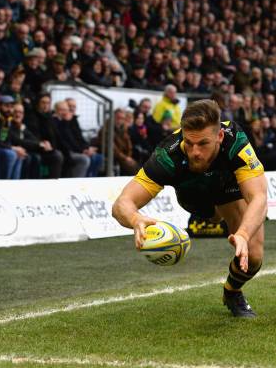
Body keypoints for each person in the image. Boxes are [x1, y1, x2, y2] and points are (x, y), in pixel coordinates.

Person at [112, 99, 267, 318]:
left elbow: (259, 197)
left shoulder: (235, 141)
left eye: (203, 143)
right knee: (212, 219)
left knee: (253, 256)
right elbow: (121, 204)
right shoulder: (167, 155)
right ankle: (214, 216)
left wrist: (242, 233)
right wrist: (135, 219)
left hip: (227, 186)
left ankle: (232, 292)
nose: (194, 152)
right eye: (189, 143)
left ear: (219, 137)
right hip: (193, 194)